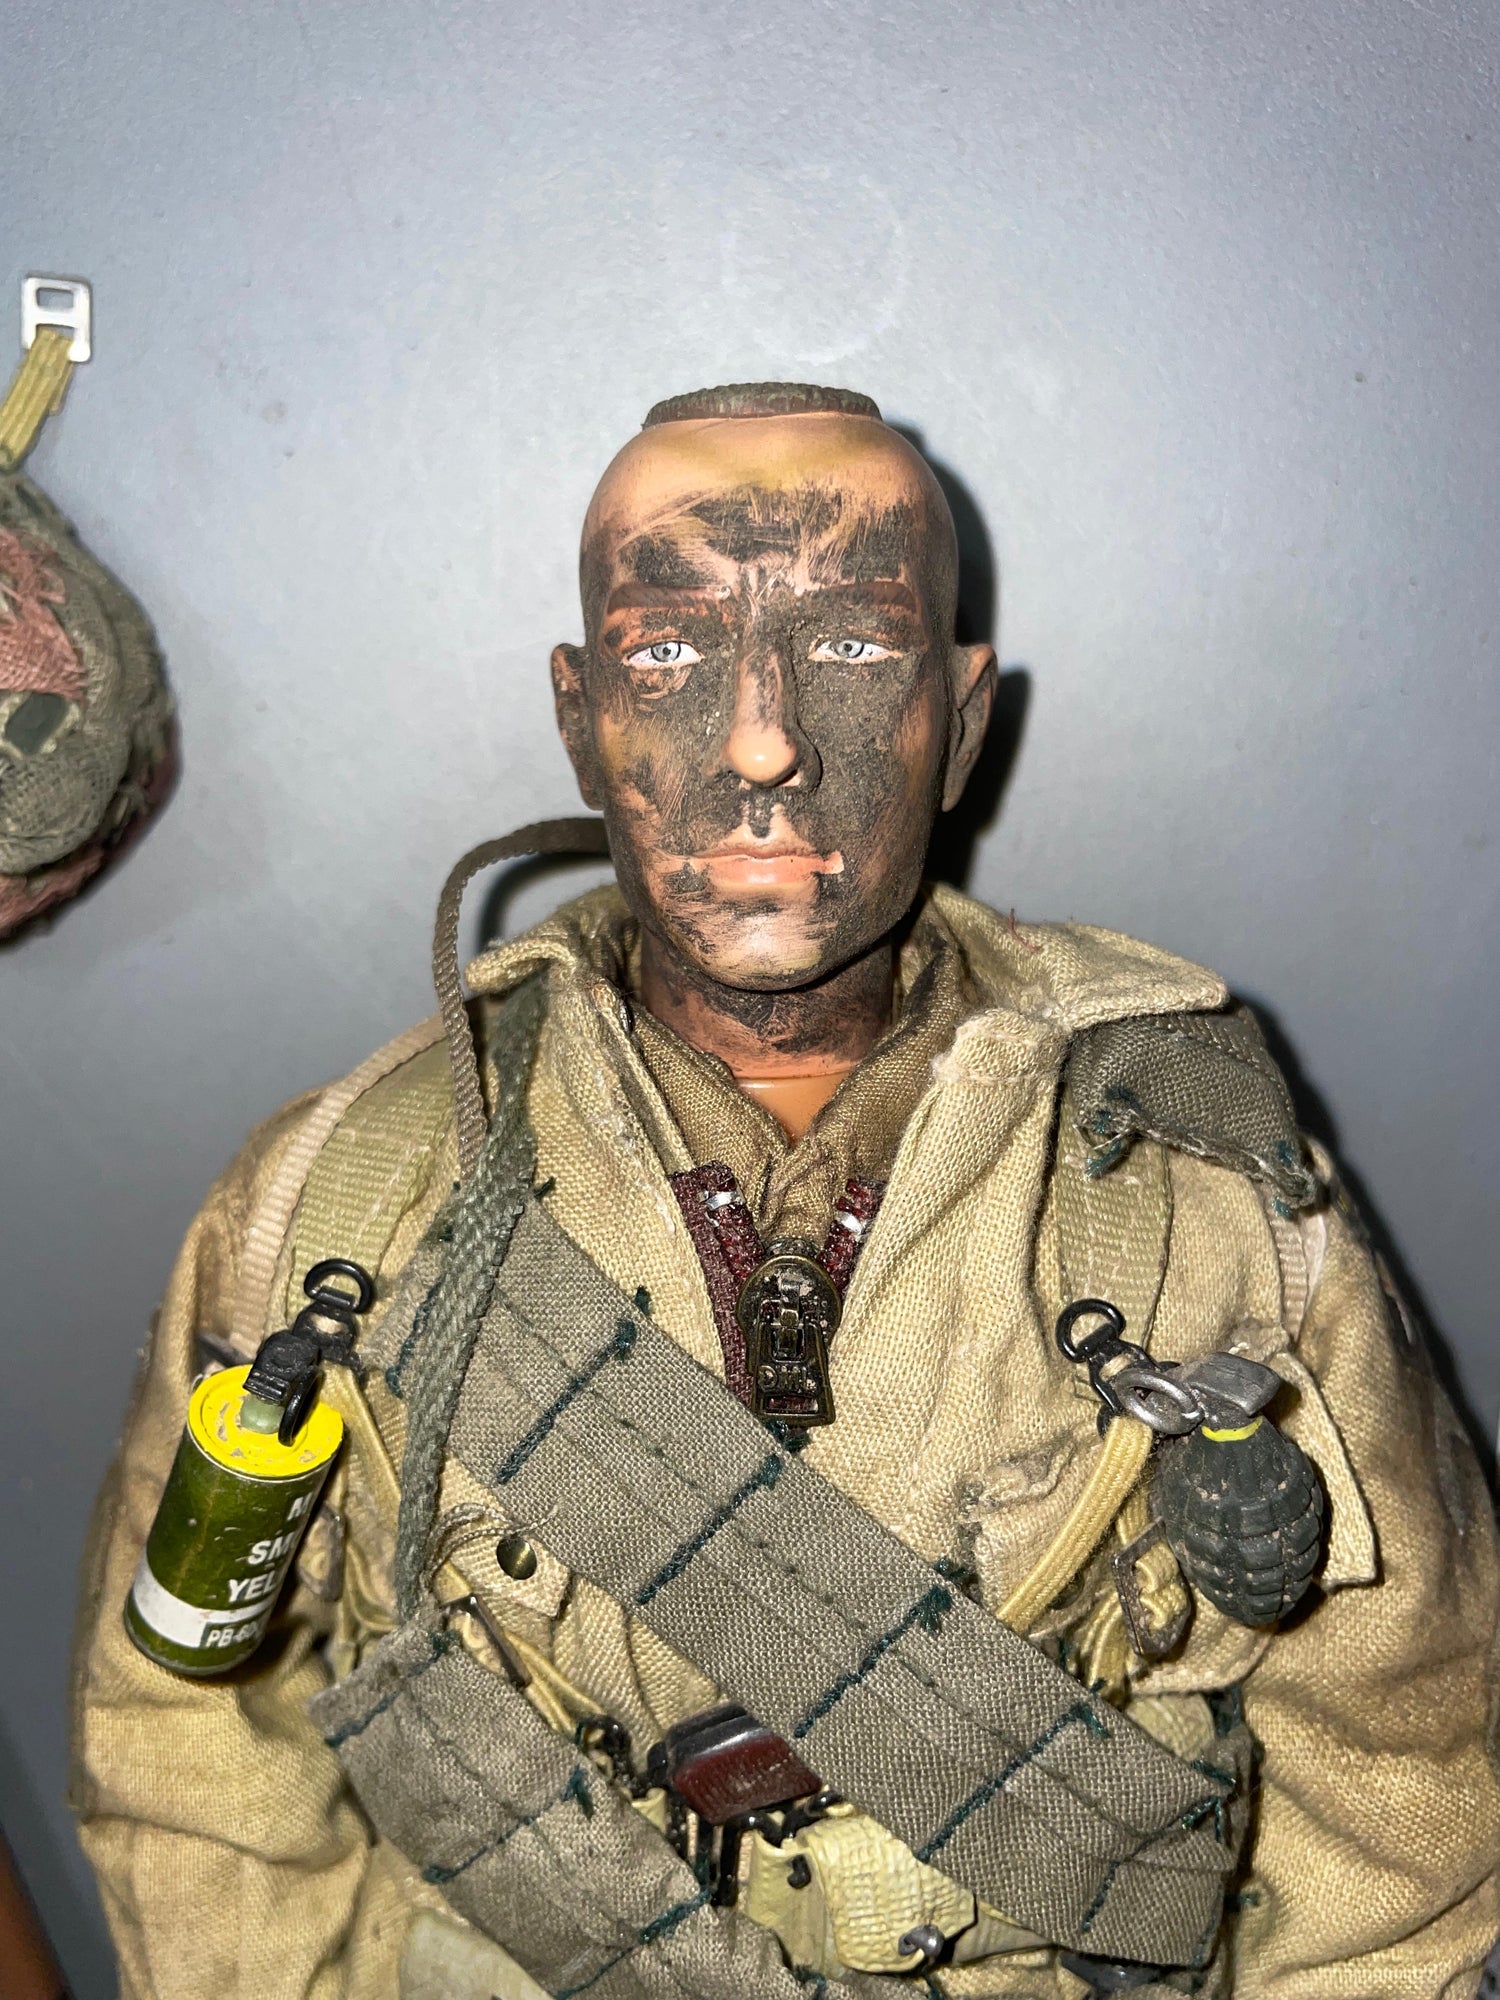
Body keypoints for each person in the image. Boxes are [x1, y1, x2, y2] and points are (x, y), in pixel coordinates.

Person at [71, 382, 1500, 1999]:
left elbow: (1401, 1774)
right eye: (669, 652)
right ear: (579, 720)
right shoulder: (348, 1205)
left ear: (961, 722)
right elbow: (193, 1758)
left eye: (855, 645)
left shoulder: (1189, 1195)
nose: (762, 741)